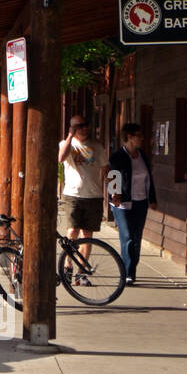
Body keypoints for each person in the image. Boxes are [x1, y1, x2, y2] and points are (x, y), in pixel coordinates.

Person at [108, 122, 158, 285]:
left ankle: (131, 271)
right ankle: (127, 273)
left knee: (136, 238)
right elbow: (113, 175)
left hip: (141, 202)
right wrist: (114, 195)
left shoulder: (142, 155)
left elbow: (148, 178)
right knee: (128, 237)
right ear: (129, 137)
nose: (142, 139)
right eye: (139, 135)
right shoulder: (118, 157)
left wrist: (152, 199)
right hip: (123, 204)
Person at [58, 115, 104, 282]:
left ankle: (81, 270)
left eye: (87, 125)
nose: (85, 128)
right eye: (80, 126)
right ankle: (68, 264)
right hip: (73, 195)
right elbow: (61, 158)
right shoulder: (66, 144)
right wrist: (70, 136)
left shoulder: (97, 146)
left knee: (88, 235)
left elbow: (106, 168)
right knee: (72, 232)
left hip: (94, 195)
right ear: (73, 128)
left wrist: (114, 190)